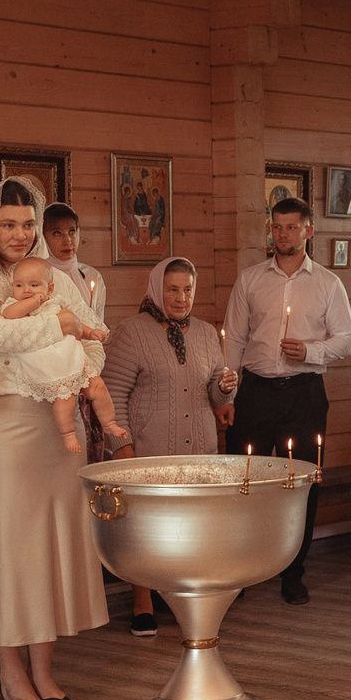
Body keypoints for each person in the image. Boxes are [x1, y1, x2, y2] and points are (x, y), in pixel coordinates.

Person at [0, 177, 109, 700]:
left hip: (57, 423)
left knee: (53, 542)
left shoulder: (53, 274)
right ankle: (10, 670)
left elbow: (94, 334)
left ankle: (44, 667)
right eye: (8, 224)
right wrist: (58, 326)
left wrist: (77, 356)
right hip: (3, 422)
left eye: (27, 224)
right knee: (12, 543)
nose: (19, 234)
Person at [224, 194, 351, 603]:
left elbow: (347, 340)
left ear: (308, 231)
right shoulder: (250, 280)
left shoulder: (328, 284)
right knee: (245, 482)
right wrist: (226, 393)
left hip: (304, 394)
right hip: (255, 393)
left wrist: (311, 352)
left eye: (291, 227)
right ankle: (242, 570)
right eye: (277, 227)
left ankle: (293, 572)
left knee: (302, 484)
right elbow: (234, 339)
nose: (283, 234)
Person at [101, 255, 237, 636]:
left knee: (193, 526)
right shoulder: (131, 332)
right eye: (172, 289)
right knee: (145, 529)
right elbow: (113, 393)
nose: (181, 298)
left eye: (188, 290)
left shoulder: (208, 333)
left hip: (199, 448)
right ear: (157, 289)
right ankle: (142, 602)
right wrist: (121, 444)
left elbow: (213, 389)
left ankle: (184, 598)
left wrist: (225, 389)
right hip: (149, 447)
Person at [0, 256, 127, 455]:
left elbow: (74, 323)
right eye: (19, 285)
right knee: (65, 401)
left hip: (72, 357)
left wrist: (90, 333)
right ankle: (67, 433)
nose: (26, 290)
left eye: (34, 285)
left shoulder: (56, 303)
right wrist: (32, 302)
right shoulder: (15, 305)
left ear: (49, 289)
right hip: (51, 366)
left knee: (98, 387)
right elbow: (8, 315)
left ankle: (109, 422)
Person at [43, 202, 108, 454]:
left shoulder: (91, 277)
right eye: (56, 233)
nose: (67, 240)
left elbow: (96, 325)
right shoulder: (42, 275)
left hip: (90, 366)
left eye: (72, 232)